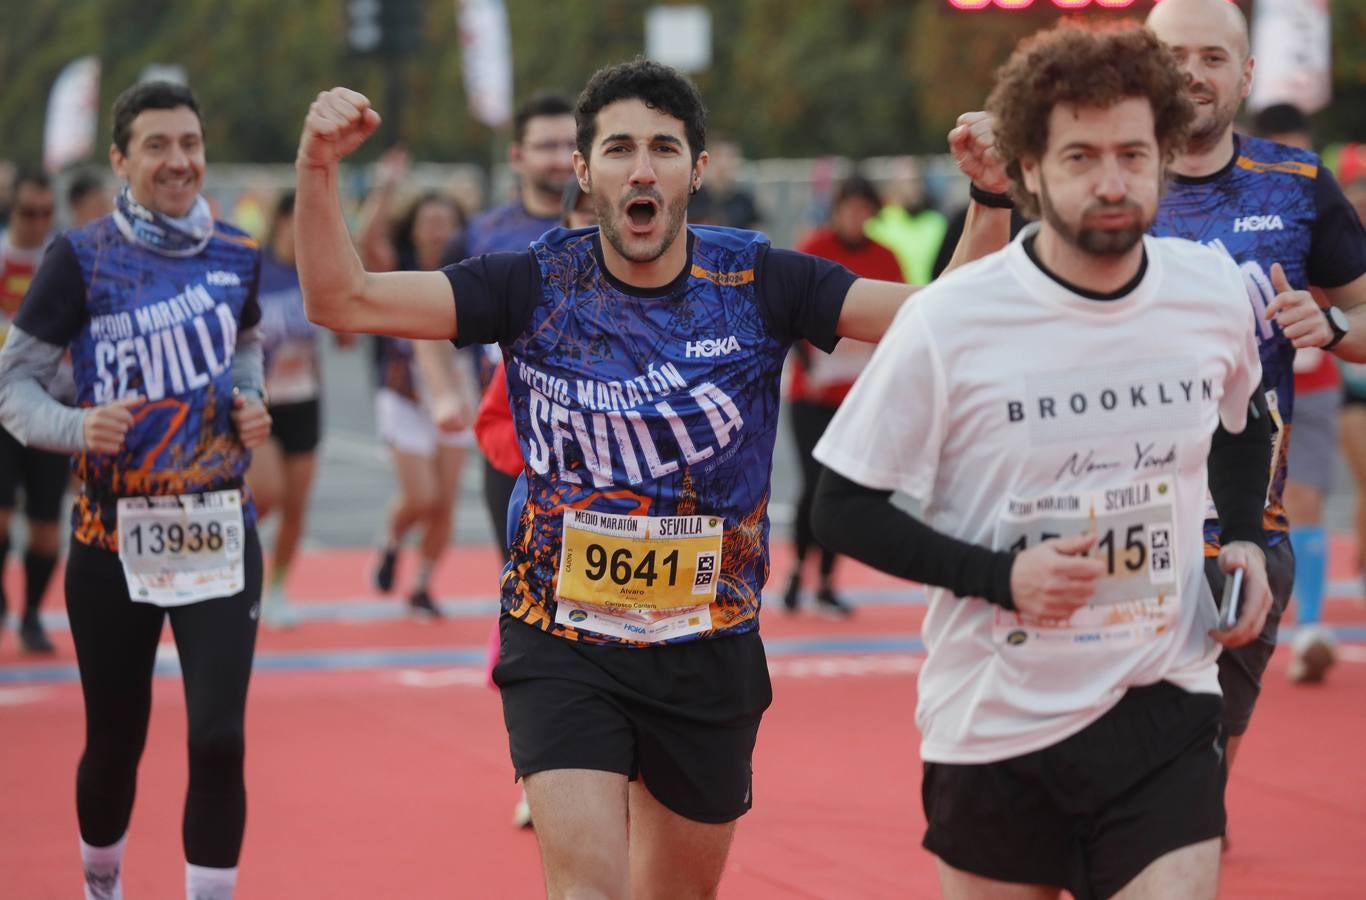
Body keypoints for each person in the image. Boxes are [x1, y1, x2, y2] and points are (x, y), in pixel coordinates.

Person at [293, 57, 976, 898]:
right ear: (585, 173)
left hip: (708, 647)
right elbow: (343, 299)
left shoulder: (760, 280)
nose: (641, 168)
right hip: (562, 638)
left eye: (663, 147)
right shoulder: (532, 283)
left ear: (698, 168)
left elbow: (947, 319)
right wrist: (317, 166)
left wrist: (990, 198)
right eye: (619, 148)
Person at [815, 22, 1274, 899]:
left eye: (1133, 155)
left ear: (1166, 157)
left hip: (1165, 698)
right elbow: (840, 508)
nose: (1112, 182)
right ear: (1029, 167)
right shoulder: (950, 320)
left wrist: (1245, 537)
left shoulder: (1211, 290)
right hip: (996, 721)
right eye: (1080, 157)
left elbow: (1244, 418)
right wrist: (1003, 578)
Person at [953, 0, 1366, 774]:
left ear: (1247, 73)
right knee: (1104, 777)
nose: (1193, 74)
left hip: (1242, 535)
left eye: (1214, 58)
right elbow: (964, 315)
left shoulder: (1296, 186)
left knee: (1202, 777)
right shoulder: (1091, 180)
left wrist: (1335, 325)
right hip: (1101, 533)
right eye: (1175, 56)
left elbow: (1361, 310)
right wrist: (992, 190)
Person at [0, 81, 269, 900]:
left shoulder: (237, 252)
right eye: (157, 145)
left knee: (219, 740)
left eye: (189, 143)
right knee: (117, 741)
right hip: (112, 539)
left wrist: (249, 400)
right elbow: (13, 385)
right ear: (120, 159)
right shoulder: (79, 257)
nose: (178, 161)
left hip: (218, 526)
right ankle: (102, 884)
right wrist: (78, 427)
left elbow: (244, 345)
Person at [358, 148, 475, 617]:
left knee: (444, 504)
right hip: (405, 395)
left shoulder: (473, 270)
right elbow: (366, 241)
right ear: (414, 228)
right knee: (421, 497)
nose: (437, 230)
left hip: (457, 395)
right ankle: (390, 539)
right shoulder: (399, 267)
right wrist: (385, 187)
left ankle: (423, 584)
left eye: (446, 222)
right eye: (429, 222)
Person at [781, 174, 903, 616]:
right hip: (811, 396)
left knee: (838, 489)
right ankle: (797, 572)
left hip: (856, 397)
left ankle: (827, 582)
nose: (855, 216)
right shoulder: (813, 249)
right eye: (848, 208)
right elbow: (787, 313)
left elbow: (904, 320)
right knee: (813, 485)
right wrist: (809, 365)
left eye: (863, 209)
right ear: (835, 210)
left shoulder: (885, 258)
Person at [245, 190, 335, 628]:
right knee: (266, 493)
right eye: (294, 222)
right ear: (279, 223)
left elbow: (342, 335)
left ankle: (277, 589)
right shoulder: (253, 270)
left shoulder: (314, 271)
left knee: (296, 505)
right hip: (258, 401)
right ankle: (230, 546)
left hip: (303, 399)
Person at [0, 169, 65, 653]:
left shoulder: (61, 262)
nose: (38, 223)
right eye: (28, 213)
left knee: (46, 529)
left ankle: (32, 616)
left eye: (46, 214)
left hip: (50, 408)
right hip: (2, 408)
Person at [864, 155, 948, 286]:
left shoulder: (937, 222)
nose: (914, 188)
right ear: (893, 186)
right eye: (907, 182)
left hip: (930, 293)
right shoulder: (877, 224)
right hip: (892, 295)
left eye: (917, 181)